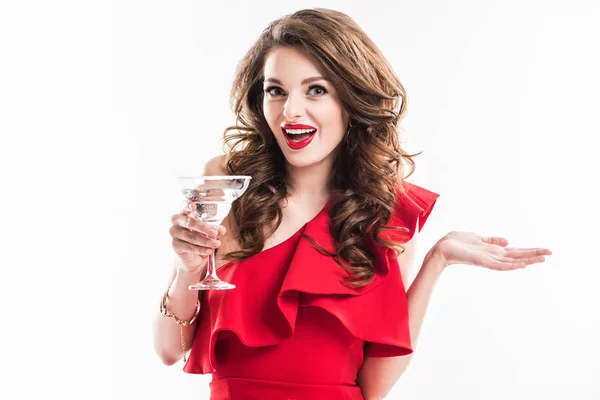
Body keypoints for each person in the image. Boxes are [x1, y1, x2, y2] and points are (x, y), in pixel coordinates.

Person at [153, 8, 552, 400]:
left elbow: (373, 387)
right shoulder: (228, 183)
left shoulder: (387, 210)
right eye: (276, 90)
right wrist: (187, 270)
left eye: (316, 90)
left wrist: (438, 260)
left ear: (350, 99)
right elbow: (169, 349)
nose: (291, 110)